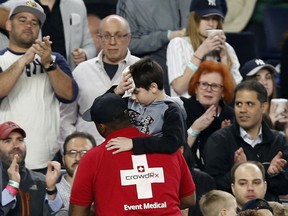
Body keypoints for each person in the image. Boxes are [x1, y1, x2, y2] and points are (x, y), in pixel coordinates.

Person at [69, 93, 196, 215]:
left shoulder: (92, 159)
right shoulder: (167, 148)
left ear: (101, 127)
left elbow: (77, 213)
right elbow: (189, 199)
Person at [0, 0, 78, 171]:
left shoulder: (54, 59)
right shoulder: (1, 60)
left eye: (34, 22)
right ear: (8, 24)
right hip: (4, 162)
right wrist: (23, 61)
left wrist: (49, 65)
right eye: (22, 19)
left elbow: (69, 95)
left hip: (45, 160)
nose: (29, 25)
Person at [59, 14, 139, 146]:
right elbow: (66, 117)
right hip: (89, 154)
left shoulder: (143, 68)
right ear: (99, 38)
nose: (112, 42)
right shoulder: (81, 71)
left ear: (128, 38)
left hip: (131, 153)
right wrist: (73, 149)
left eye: (118, 36)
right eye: (106, 36)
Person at [203, 80, 288, 202]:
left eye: (249, 104)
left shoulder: (278, 141)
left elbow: (284, 188)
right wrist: (238, 170)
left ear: (263, 107)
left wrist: (273, 174)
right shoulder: (218, 141)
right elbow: (212, 189)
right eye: (238, 104)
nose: (242, 110)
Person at [105, 57, 187, 155]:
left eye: (136, 92)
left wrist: (134, 143)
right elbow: (100, 110)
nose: (133, 97)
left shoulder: (170, 110)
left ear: (153, 87)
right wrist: (117, 91)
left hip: (157, 164)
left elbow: (171, 143)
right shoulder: (130, 103)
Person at [167, 0, 242, 98]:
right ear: (194, 19)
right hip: (186, 110)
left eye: (215, 19)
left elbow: (232, 94)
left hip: (217, 111)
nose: (211, 24)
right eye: (205, 18)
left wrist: (224, 57)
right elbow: (179, 88)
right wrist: (201, 52)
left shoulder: (227, 49)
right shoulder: (178, 44)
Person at [116, 0, 191, 95]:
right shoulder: (127, 2)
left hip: (183, 52)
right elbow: (127, 42)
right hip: (147, 62)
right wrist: (167, 35)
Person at [1, 0, 96, 70]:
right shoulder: (11, 6)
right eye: (23, 20)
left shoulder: (77, 5)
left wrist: (84, 54)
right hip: (27, 77)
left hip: (67, 76)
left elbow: (89, 44)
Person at [181, 60, 235, 170]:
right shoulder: (183, 110)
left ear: (223, 92)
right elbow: (177, 155)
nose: (208, 90)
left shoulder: (230, 115)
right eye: (204, 84)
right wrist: (195, 128)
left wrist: (225, 138)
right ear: (196, 88)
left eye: (215, 86)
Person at [0, 121, 63, 215]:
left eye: (20, 140)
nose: (16, 145)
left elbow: (58, 212)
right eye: (8, 141)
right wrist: (12, 185)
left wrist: (51, 189)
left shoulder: (41, 180)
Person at [50, 132, 96, 215]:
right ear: (63, 159)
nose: (78, 158)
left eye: (84, 153)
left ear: (96, 158)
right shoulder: (51, 191)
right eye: (72, 152)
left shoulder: (105, 190)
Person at [240, 58, 288, 137]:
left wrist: (286, 128)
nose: (265, 82)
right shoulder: (242, 113)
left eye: (268, 77)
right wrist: (270, 123)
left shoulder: (281, 109)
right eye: (257, 78)